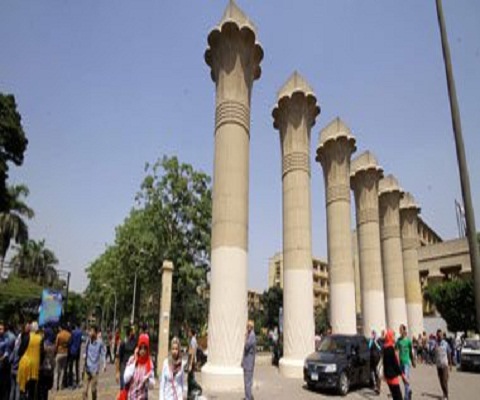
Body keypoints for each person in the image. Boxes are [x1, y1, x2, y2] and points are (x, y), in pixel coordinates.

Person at [17, 321, 44, 400]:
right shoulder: (40, 338)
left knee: (23, 389)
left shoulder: (27, 337)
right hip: (35, 367)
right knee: (32, 390)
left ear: (31, 329)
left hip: (25, 365)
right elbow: (42, 353)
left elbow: (20, 351)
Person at [123, 334, 155, 399]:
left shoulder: (149, 363)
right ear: (138, 348)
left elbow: (152, 386)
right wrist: (135, 362)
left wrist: (147, 381)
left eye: (145, 348)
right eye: (141, 347)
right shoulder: (132, 360)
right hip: (131, 397)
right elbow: (126, 379)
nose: (143, 350)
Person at [383, 329, 408, 400]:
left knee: (395, 396)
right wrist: (402, 375)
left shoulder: (385, 348)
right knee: (398, 397)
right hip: (393, 377)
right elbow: (395, 364)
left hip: (388, 377)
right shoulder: (390, 349)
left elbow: (385, 363)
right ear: (390, 337)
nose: (394, 337)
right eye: (393, 336)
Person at [82, 325, 105, 400]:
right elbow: (85, 350)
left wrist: (104, 365)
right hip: (87, 369)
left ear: (96, 332)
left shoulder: (100, 342)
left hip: (95, 369)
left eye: (92, 331)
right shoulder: (88, 340)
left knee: (93, 390)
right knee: (84, 391)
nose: (90, 332)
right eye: (90, 331)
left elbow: (103, 354)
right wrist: (84, 355)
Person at [396, 324, 415, 400]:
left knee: (406, 379)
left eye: (401, 329)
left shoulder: (408, 341)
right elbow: (396, 350)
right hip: (401, 363)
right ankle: (409, 390)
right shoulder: (398, 341)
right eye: (399, 329)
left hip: (407, 362)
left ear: (404, 330)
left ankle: (406, 397)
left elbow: (411, 352)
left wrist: (413, 361)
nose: (400, 331)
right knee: (404, 380)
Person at [38, 327, 56, 400]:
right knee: (46, 389)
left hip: (43, 369)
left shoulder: (43, 344)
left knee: (41, 388)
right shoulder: (53, 345)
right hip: (50, 370)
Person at [434, 329, 452, 400]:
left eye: (441, 335)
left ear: (442, 335)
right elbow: (434, 353)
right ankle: (444, 393)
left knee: (444, 380)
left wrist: (450, 364)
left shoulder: (446, 344)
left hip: (444, 365)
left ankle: (446, 395)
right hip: (438, 365)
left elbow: (449, 353)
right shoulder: (436, 344)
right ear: (437, 335)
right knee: (441, 381)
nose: (439, 336)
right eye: (438, 335)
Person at [241, 320, 256, 400]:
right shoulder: (250, 335)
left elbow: (247, 347)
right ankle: (248, 396)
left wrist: (246, 338)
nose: (247, 328)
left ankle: (248, 398)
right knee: (247, 381)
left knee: (248, 382)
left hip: (249, 363)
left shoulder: (251, 336)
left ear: (252, 327)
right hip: (247, 362)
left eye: (249, 326)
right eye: (247, 326)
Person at [186, 327, 202, 399]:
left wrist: (190, 364)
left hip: (191, 361)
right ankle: (189, 394)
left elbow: (192, 352)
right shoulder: (193, 339)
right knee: (190, 378)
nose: (188, 333)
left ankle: (198, 387)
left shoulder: (193, 340)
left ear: (191, 333)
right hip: (192, 361)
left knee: (190, 379)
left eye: (189, 332)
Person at [55, 324, 71, 390]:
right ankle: (61, 385)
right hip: (65, 353)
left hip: (59, 352)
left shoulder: (59, 335)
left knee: (56, 370)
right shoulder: (69, 335)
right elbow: (70, 344)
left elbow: (56, 344)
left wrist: (55, 351)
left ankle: (56, 386)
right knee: (63, 370)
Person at [67, 324, 83, 388]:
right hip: (78, 351)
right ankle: (77, 381)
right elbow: (81, 341)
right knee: (77, 366)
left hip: (72, 351)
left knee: (71, 367)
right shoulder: (80, 332)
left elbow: (70, 342)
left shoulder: (72, 333)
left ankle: (71, 383)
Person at [368, 329, 382, 395]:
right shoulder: (371, 340)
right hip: (372, 358)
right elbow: (369, 347)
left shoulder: (378, 340)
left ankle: (377, 386)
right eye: (372, 334)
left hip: (377, 359)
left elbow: (380, 348)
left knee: (377, 372)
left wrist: (375, 342)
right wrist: (371, 340)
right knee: (372, 371)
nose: (373, 335)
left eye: (374, 334)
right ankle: (375, 384)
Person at [0, 322, 12, 400]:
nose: (0, 330)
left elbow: (7, 351)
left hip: (2, 364)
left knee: (2, 384)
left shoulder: (6, 339)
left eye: (1, 329)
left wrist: (3, 357)